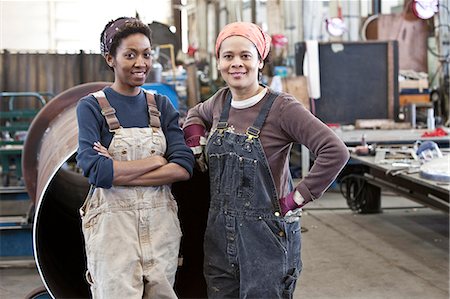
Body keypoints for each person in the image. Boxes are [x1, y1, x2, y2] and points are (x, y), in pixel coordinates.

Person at [183, 21, 350, 298]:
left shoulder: (282, 108)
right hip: (219, 238)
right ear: (219, 63)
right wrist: (195, 140)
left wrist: (296, 198)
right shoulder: (220, 101)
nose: (236, 64)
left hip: (266, 238)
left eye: (245, 56)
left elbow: (335, 151)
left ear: (260, 60)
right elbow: (195, 114)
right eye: (228, 56)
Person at [76, 17, 194, 298]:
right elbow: (95, 171)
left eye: (146, 54)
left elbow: (184, 166)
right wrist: (156, 162)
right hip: (114, 234)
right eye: (130, 55)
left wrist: (118, 170)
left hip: (161, 230)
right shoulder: (91, 107)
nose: (140, 63)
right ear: (110, 59)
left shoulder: (162, 105)